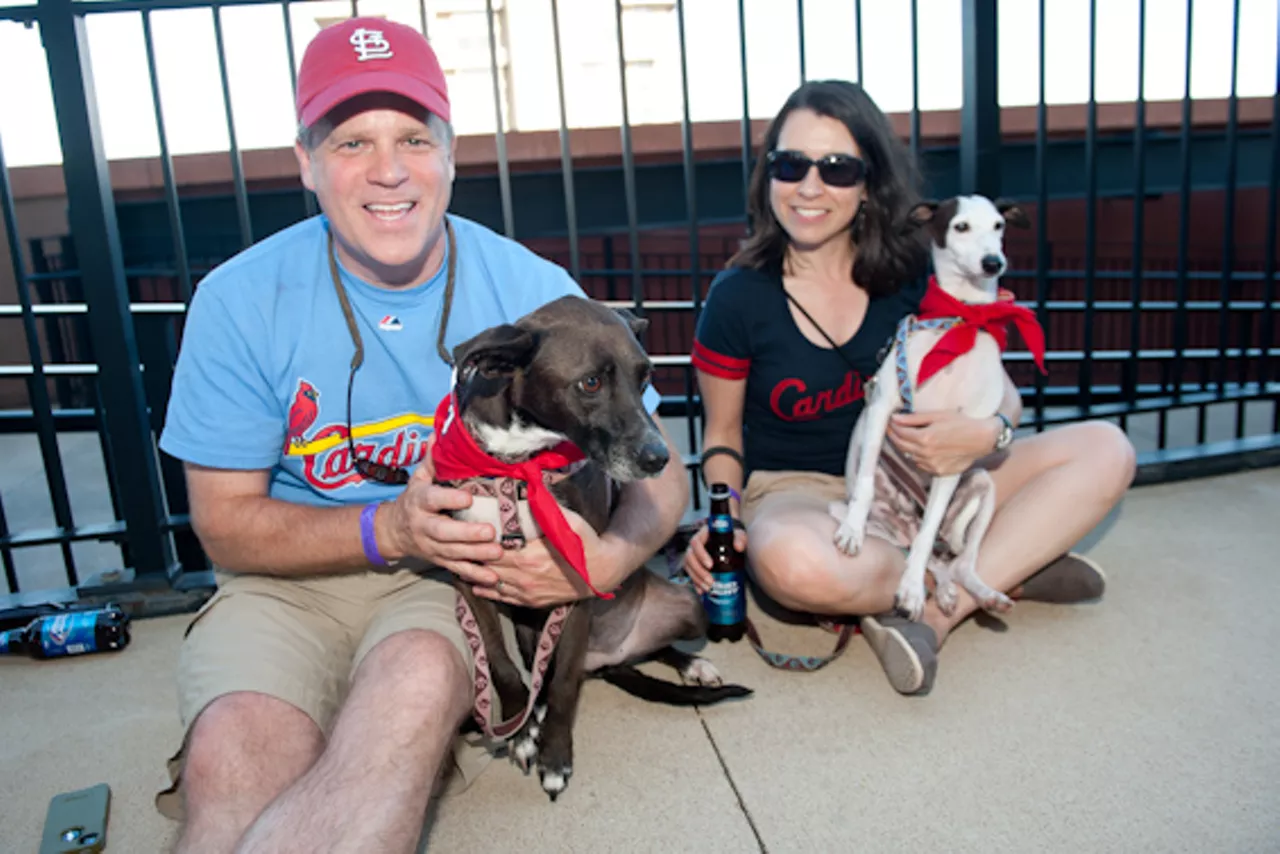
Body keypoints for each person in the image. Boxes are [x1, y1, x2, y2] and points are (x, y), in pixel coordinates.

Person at [153, 17, 687, 854]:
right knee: (233, 759)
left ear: (449, 150)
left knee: (398, 716)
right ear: (304, 161)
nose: (389, 170)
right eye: (351, 141)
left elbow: (663, 473)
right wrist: (387, 524)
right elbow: (223, 523)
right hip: (281, 582)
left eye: (412, 136)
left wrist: (605, 563)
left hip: (439, 579)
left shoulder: (532, 289)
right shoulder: (238, 299)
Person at [682, 80, 1135, 697]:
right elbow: (723, 434)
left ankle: (938, 612)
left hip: (928, 472)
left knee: (1108, 448)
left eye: (837, 169)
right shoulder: (737, 297)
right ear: (768, 177)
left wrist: (985, 432)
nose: (810, 187)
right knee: (792, 565)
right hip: (802, 494)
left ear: (869, 183)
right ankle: (1005, 564)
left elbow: (1003, 394)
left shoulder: (919, 272)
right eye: (790, 165)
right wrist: (723, 517)